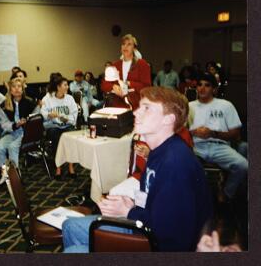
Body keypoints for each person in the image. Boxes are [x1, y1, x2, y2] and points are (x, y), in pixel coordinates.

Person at [62, 86, 212, 252]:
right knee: (69, 225)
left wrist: (128, 211)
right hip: (146, 226)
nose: (135, 113)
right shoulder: (159, 151)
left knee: (72, 251)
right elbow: (154, 202)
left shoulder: (175, 164)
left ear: (168, 119)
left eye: (147, 108)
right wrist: (131, 204)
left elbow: (172, 235)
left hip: (156, 243)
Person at [188, 73, 247, 201]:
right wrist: (192, 132)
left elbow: (235, 132)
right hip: (196, 146)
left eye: (207, 85)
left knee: (243, 166)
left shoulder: (225, 105)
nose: (202, 88)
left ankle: (226, 193)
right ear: (196, 88)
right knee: (182, 165)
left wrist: (213, 133)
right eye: (200, 85)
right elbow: (180, 130)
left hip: (220, 146)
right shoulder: (189, 106)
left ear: (214, 89)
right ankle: (194, 196)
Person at [0, 77, 36, 185]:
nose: (17, 89)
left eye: (19, 87)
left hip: (27, 132)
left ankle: (16, 177)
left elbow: (37, 118)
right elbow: (4, 124)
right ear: (10, 90)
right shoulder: (5, 105)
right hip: (13, 132)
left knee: (12, 147)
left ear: (23, 89)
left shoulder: (30, 102)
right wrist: (15, 125)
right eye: (14, 87)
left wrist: (27, 121)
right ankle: (4, 174)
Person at [41, 76, 78, 180]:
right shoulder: (49, 99)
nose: (67, 87)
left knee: (71, 138)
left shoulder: (69, 98)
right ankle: (58, 168)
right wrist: (49, 115)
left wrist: (65, 119)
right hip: (54, 127)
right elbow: (43, 112)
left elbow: (74, 114)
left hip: (67, 125)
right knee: (56, 138)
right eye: (65, 85)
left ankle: (71, 167)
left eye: (67, 85)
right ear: (58, 87)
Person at [101, 34, 151, 110]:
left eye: (129, 44)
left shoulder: (142, 64)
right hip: (117, 106)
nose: (125, 47)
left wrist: (129, 83)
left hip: (136, 106)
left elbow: (147, 87)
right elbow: (104, 84)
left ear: (134, 48)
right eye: (123, 44)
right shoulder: (115, 65)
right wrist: (113, 87)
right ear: (121, 48)